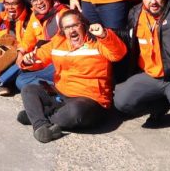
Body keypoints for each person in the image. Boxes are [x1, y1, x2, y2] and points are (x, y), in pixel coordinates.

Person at [17, 9, 128, 142]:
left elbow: (118, 54)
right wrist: (28, 60)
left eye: (75, 25)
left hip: (90, 101)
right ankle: (41, 126)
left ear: (83, 25)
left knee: (75, 112)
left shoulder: (97, 42)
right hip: (61, 95)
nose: (72, 30)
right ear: (63, 30)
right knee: (29, 89)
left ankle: (37, 117)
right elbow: (39, 58)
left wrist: (104, 35)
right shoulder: (58, 42)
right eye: (67, 27)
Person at [114, 0, 170, 133]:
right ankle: (161, 104)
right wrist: (105, 33)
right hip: (150, 75)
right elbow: (127, 36)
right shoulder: (136, 13)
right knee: (122, 101)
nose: (153, 1)